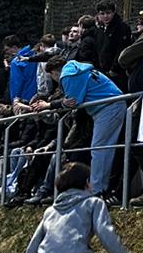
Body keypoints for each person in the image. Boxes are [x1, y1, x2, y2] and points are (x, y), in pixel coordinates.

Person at [51, 57, 128, 199]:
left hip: (108, 107)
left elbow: (72, 102)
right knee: (101, 148)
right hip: (110, 106)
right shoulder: (79, 69)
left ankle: (97, 190)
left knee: (100, 149)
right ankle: (98, 188)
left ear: (54, 73)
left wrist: (50, 105)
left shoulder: (68, 75)